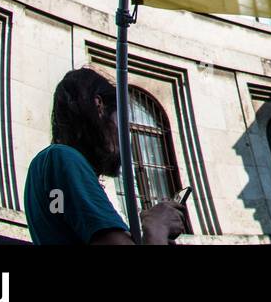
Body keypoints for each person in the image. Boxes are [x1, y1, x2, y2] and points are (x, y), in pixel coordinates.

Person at [24, 68, 186, 245]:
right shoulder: (64, 158)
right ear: (99, 105)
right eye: (121, 120)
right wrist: (157, 227)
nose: (126, 137)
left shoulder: (50, 164)